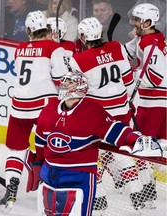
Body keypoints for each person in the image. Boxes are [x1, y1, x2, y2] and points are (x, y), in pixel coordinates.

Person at [25, 70, 162, 216]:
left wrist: (137, 140)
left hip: (77, 175)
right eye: (64, 81)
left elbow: (116, 131)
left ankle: (135, 193)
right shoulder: (49, 109)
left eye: (69, 82)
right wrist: (39, 165)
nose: (63, 84)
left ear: (80, 86)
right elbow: (40, 141)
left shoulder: (91, 111)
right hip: (50, 173)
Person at [69, 17, 150, 212]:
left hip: (99, 118)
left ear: (82, 36)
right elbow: (129, 82)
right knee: (123, 153)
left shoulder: (78, 60)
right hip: (122, 112)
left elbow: (78, 94)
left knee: (94, 155)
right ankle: (138, 194)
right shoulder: (117, 47)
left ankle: (98, 198)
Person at [0, 10, 69, 212]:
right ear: (47, 29)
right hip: (44, 106)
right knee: (54, 147)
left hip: (19, 105)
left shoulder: (20, 49)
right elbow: (63, 80)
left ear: (29, 30)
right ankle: (52, 188)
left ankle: (11, 189)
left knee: (16, 149)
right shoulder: (52, 48)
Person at [125, 3, 167, 208]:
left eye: (137, 20)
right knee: (154, 145)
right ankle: (149, 189)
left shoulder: (151, 43)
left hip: (153, 103)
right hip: (156, 102)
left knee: (140, 146)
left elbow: (156, 76)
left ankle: (148, 191)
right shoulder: (147, 38)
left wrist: (134, 76)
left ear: (148, 22)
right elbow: (127, 52)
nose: (134, 23)